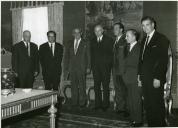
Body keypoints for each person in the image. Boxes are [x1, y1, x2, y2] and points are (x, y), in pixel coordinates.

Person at [138, 16, 169, 126]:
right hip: (145, 78)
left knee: (157, 104)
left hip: (155, 78)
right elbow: (141, 60)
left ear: (153, 25)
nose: (145, 27)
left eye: (147, 24)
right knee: (148, 104)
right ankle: (152, 125)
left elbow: (163, 61)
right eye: (143, 25)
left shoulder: (161, 38)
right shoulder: (143, 40)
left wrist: (158, 77)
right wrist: (139, 76)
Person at [63, 28, 91, 108]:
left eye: (78, 32)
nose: (77, 34)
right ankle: (74, 102)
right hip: (72, 68)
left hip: (82, 68)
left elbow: (89, 56)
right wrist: (66, 67)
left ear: (81, 33)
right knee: (73, 86)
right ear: (73, 34)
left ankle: (82, 102)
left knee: (82, 85)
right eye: (75, 33)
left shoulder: (86, 42)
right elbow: (66, 57)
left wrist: (88, 67)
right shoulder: (69, 43)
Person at [90, 24, 114, 111]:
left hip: (105, 68)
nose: (97, 32)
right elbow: (91, 55)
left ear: (102, 30)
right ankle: (97, 104)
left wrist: (108, 65)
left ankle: (105, 105)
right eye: (95, 31)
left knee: (105, 86)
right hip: (95, 68)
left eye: (99, 30)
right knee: (96, 86)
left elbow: (112, 55)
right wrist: (92, 66)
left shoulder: (109, 40)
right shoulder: (92, 41)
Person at [123, 29, 142, 127]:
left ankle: (138, 120)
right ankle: (133, 119)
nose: (125, 38)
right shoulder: (127, 47)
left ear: (134, 37)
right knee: (130, 99)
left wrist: (140, 78)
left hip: (135, 77)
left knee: (136, 99)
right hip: (127, 77)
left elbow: (141, 64)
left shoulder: (139, 47)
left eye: (127, 36)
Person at [112, 22, 129, 117]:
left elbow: (127, 56)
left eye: (116, 28)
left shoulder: (125, 40)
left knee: (124, 90)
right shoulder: (116, 40)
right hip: (115, 70)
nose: (114, 30)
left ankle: (126, 109)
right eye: (113, 28)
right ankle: (120, 108)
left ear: (121, 29)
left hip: (123, 70)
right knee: (118, 89)